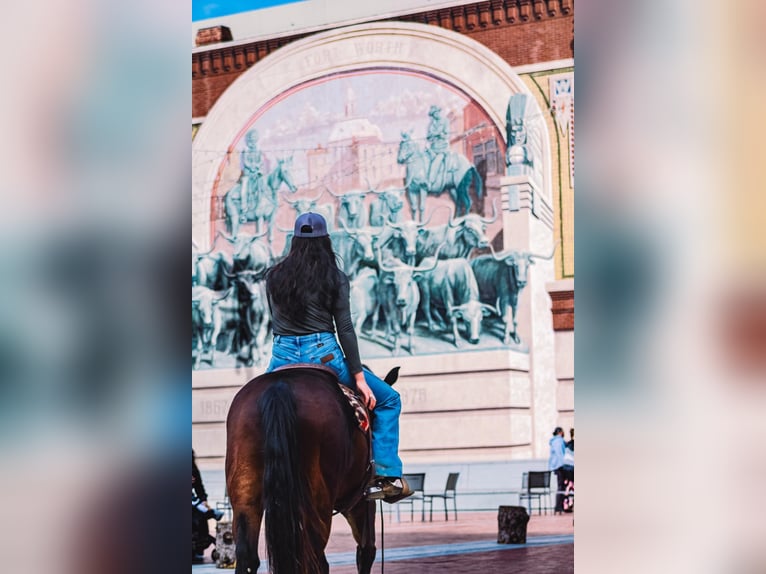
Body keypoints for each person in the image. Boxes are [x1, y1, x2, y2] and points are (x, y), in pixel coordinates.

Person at [265, 212, 412, 502]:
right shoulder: (334, 277)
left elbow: (276, 320)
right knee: (389, 400)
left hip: (281, 357)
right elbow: (344, 328)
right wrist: (359, 377)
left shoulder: (274, 276)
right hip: (323, 355)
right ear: (325, 241)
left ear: (294, 241)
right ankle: (386, 475)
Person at [192, 450, 223, 563]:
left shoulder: (193, 470)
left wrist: (204, 500)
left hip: (193, 501)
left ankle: (199, 545)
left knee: (200, 512)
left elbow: (200, 488)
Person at [548, 427, 574, 514]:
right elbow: (560, 454)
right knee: (561, 487)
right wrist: (565, 465)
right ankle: (558, 507)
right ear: (560, 432)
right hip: (560, 466)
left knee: (561, 486)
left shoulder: (555, 441)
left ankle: (559, 506)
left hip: (557, 466)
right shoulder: (559, 441)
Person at [426, 105, 450, 189]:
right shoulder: (431, 124)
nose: (435, 115)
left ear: (439, 112)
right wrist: (431, 136)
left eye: (436, 112)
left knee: (435, 162)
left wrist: (440, 135)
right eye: (433, 114)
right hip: (433, 148)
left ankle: (430, 182)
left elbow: (447, 135)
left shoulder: (445, 121)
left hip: (442, 148)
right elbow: (428, 137)